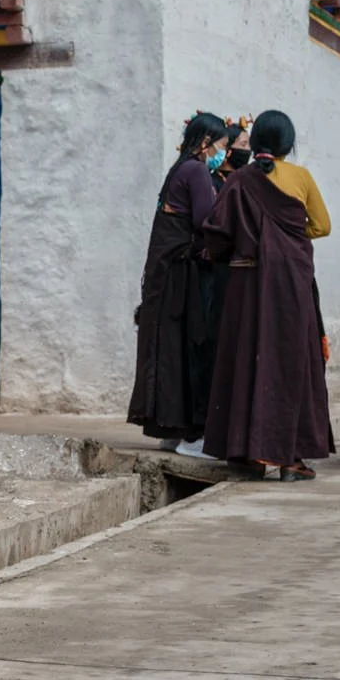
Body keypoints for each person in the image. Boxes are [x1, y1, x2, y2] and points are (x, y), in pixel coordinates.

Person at [201, 110, 334, 480]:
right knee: (292, 361)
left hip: (247, 282)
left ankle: (250, 455)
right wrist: (286, 239)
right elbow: (322, 226)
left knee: (248, 357)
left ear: (256, 141)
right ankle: (291, 459)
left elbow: (217, 231)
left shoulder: (239, 179)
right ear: (288, 144)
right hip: (291, 283)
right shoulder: (301, 177)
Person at [128, 113, 228, 457]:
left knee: (167, 345)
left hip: (164, 272)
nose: (223, 153)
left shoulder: (179, 167)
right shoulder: (197, 170)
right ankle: (192, 436)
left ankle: (168, 429)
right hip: (182, 274)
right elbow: (205, 220)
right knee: (189, 348)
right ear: (206, 143)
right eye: (222, 145)